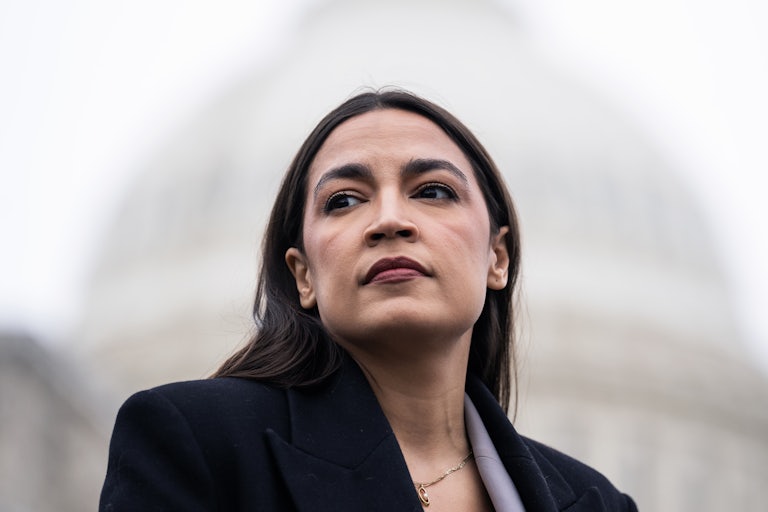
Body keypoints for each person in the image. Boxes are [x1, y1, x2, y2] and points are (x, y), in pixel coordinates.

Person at [100, 89, 638, 511]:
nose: (389, 221)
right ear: (303, 275)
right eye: (344, 200)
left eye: (432, 190)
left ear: (498, 258)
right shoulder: (199, 443)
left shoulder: (597, 503)